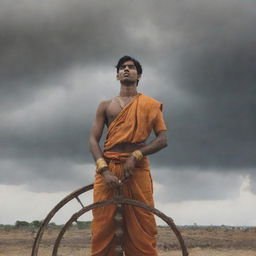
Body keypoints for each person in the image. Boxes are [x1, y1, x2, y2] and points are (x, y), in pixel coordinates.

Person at [89, 56, 168, 256]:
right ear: (117, 75)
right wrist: (104, 170)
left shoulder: (150, 105)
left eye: (131, 67)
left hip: (137, 170)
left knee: (143, 224)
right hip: (108, 168)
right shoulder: (105, 106)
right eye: (122, 68)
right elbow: (92, 140)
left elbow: (162, 139)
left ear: (138, 75)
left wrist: (137, 154)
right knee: (103, 225)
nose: (126, 70)